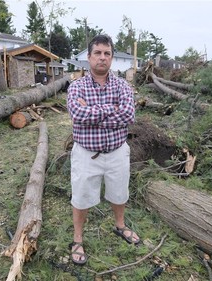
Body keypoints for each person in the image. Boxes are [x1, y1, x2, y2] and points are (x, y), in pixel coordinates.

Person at [67, 34, 140, 265]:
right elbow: (77, 115)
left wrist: (93, 112)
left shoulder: (123, 86)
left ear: (112, 58)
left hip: (117, 152)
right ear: (88, 57)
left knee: (119, 192)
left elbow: (128, 115)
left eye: (107, 53)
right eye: (97, 53)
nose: (102, 57)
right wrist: (111, 109)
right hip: (87, 154)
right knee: (81, 196)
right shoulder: (76, 86)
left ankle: (120, 225)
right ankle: (78, 239)